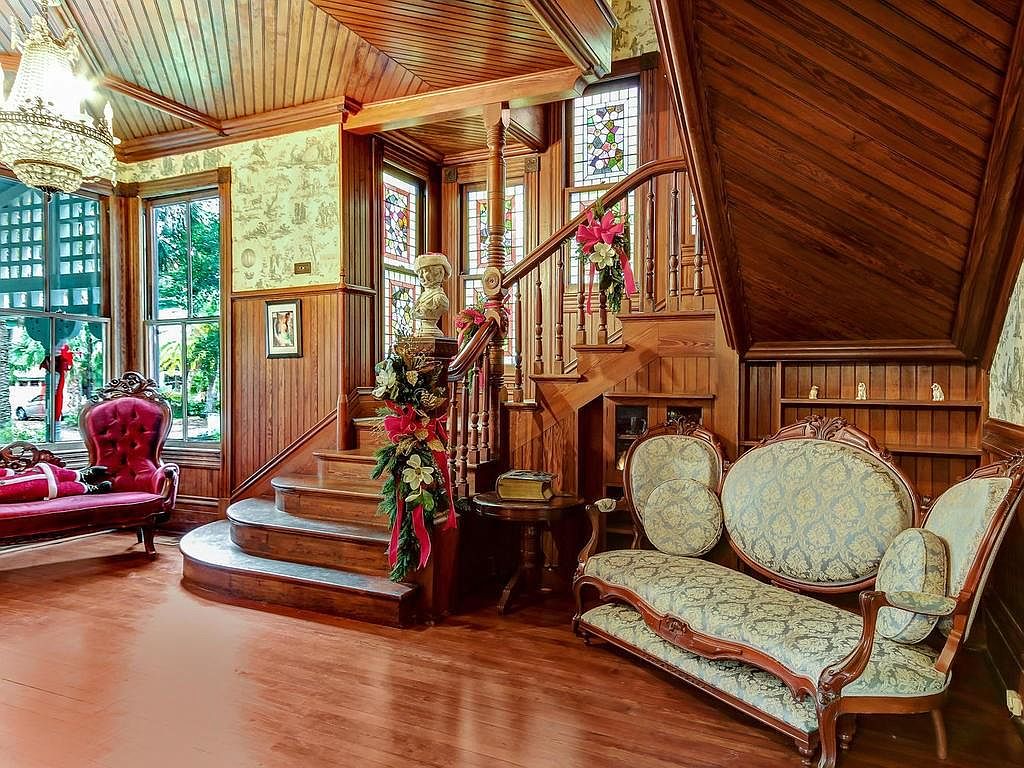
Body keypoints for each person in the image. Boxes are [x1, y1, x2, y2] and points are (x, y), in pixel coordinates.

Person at [0, 464, 112, 503]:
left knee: (53, 469)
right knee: (67, 488)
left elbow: (7, 472)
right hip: (38, 489)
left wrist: (8, 472)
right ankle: (90, 489)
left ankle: (80, 475)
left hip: (31, 474)